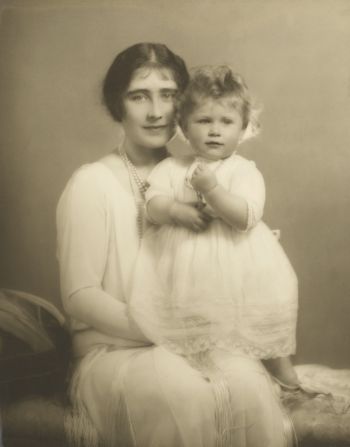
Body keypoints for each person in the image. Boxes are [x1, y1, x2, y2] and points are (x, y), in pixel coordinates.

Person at [57, 44, 296, 447]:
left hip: (190, 342)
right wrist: (164, 330)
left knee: (245, 387)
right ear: (118, 105)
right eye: (139, 96)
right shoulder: (91, 183)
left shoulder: (200, 173)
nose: (155, 111)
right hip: (117, 349)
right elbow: (80, 296)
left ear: (184, 106)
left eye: (168, 95)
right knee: (185, 396)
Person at [129, 65, 299, 390]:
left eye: (226, 122)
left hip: (239, 264)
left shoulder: (243, 171)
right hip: (184, 266)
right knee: (196, 331)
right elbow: (152, 205)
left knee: (257, 319)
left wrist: (212, 190)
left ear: (244, 128)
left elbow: (246, 216)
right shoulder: (171, 167)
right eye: (204, 121)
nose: (215, 131)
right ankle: (206, 376)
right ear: (184, 127)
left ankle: (286, 377)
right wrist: (176, 210)